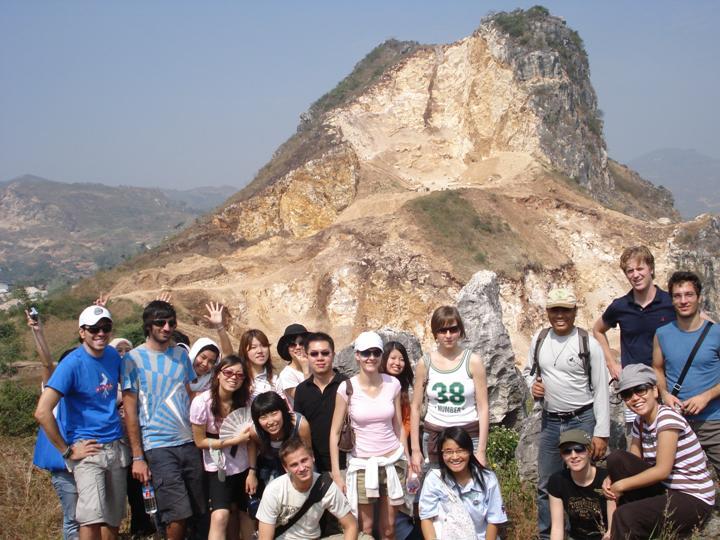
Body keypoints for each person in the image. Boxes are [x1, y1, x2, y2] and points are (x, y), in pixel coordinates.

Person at [34, 305, 129, 540]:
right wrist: (66, 451)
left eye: (105, 328)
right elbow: (42, 412)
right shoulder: (72, 364)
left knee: (114, 517)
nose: (100, 333)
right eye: (94, 329)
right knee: (90, 518)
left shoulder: (112, 356)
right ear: (82, 332)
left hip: (115, 447)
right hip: (89, 450)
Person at [521, 288, 609, 540]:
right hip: (551, 420)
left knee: (584, 482)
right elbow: (529, 371)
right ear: (547, 311)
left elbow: (601, 388)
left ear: (574, 312)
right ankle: (549, 535)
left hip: (581, 418)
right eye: (554, 310)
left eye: (565, 310)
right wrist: (532, 387)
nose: (560, 315)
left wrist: (601, 433)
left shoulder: (587, 343)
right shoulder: (540, 338)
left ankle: (592, 533)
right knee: (546, 483)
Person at [121, 299, 207, 540]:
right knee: (176, 513)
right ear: (148, 325)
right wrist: (138, 456)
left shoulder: (181, 356)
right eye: (160, 322)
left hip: (188, 442)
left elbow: (190, 396)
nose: (167, 327)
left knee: (199, 509)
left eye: (171, 322)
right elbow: (130, 411)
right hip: (158, 446)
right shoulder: (132, 360)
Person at [603, 364, 714, 539]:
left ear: (655, 391)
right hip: (667, 490)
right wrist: (611, 478)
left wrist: (621, 485)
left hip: (692, 497)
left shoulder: (667, 419)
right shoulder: (640, 422)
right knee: (616, 459)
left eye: (640, 390)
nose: (634, 398)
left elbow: (663, 470)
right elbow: (631, 460)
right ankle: (630, 523)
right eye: (627, 394)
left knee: (625, 515)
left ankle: (629, 522)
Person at [330, 331, 410, 540]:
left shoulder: (393, 384)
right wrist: (337, 475)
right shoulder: (347, 388)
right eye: (366, 353)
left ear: (381, 355)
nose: (371, 358)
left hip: (393, 461)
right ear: (357, 355)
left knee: (389, 528)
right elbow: (335, 432)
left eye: (376, 352)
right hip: (363, 465)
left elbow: (398, 426)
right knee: (365, 527)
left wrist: (408, 460)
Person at [593, 245, 675, 434]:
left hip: (667, 381)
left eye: (640, 269)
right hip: (634, 385)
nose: (635, 275)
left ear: (651, 269)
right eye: (630, 271)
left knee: (670, 435)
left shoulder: (669, 302)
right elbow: (598, 330)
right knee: (639, 439)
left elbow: (699, 321)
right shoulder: (620, 306)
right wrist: (611, 364)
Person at [653, 270, 720, 477]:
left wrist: (706, 396)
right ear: (672, 300)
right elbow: (657, 368)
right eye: (677, 296)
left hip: (715, 422)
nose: (683, 300)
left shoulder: (716, 332)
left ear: (699, 297)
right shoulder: (662, 334)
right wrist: (664, 394)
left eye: (689, 294)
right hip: (677, 422)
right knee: (676, 483)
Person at [410, 306, 490, 473]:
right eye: (442, 330)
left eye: (453, 329)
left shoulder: (473, 361)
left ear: (460, 330)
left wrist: (481, 451)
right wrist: (415, 450)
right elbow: (416, 407)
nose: (448, 335)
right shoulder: (425, 363)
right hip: (435, 436)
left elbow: (483, 407)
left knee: (470, 490)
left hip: (467, 435)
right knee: (437, 490)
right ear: (435, 333)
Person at [191, 355, 257, 540]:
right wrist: (231, 441)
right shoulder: (202, 402)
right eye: (228, 372)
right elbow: (200, 441)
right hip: (217, 467)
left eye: (239, 375)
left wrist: (252, 471)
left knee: (245, 513)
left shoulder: (247, 401)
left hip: (243, 466)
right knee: (220, 515)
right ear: (218, 374)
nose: (233, 377)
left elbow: (250, 440)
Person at [27, 309, 80, 540]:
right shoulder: (55, 393)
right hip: (64, 468)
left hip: (88, 462)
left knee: (91, 516)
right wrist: (38, 332)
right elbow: (47, 363)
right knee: (74, 519)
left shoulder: (85, 396)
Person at [256, 437, 359, 540]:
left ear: (312, 457)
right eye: (294, 465)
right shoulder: (274, 490)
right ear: (286, 468)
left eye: (304, 460)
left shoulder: (325, 486)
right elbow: (265, 538)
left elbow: (351, 525)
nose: (301, 468)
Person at [419, 426, 507, 540]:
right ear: (442, 454)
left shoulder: (488, 479)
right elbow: (426, 518)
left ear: (469, 451)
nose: (455, 457)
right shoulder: (434, 479)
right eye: (448, 452)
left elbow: (494, 520)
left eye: (460, 450)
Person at [294, 332, 348, 473]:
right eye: (314, 354)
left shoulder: (347, 385)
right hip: (316, 466)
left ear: (333, 355)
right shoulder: (302, 390)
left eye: (325, 353)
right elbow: (299, 428)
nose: (320, 358)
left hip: (348, 462)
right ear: (306, 356)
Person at [548, 429, 615, 540]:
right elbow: (557, 528)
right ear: (562, 455)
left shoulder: (606, 479)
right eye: (567, 451)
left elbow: (612, 531)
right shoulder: (557, 481)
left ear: (589, 451)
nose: (573, 455)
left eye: (579, 450)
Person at [251, 390, 312, 487]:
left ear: (283, 411)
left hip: (298, 464)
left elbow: (308, 452)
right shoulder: (256, 431)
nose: (270, 421)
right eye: (263, 417)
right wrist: (252, 472)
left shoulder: (300, 425)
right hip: (271, 467)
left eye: (274, 413)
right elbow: (252, 444)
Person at [381, 341, 414, 443]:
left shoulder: (406, 386)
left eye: (401, 359)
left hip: (399, 441)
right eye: (393, 358)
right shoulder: (375, 383)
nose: (398, 363)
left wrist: (400, 440)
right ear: (384, 359)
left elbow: (407, 419)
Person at [277, 323, 310, 406]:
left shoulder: (317, 365)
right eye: (292, 344)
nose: (298, 347)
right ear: (287, 348)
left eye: (301, 343)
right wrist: (306, 369)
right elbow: (305, 399)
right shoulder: (286, 374)